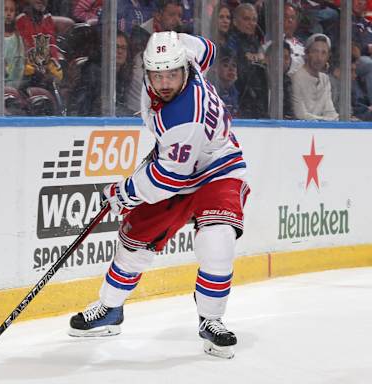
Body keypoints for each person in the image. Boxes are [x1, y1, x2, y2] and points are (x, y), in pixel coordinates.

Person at [68, 31, 250, 360]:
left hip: (216, 167)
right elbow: (207, 47)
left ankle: (211, 320)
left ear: (184, 69)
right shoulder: (187, 53)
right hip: (175, 161)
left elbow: (168, 179)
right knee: (134, 242)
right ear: (148, 69)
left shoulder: (184, 116)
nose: (164, 83)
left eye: (171, 75)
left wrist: (122, 193)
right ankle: (110, 310)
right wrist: (174, 36)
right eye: (157, 75)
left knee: (217, 241)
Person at [291, 33, 338, 120]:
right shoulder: (296, 77)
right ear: (306, 53)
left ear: (328, 56)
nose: (319, 58)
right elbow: (300, 115)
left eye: (324, 53)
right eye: (315, 51)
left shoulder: (325, 79)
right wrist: (326, 119)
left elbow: (330, 112)